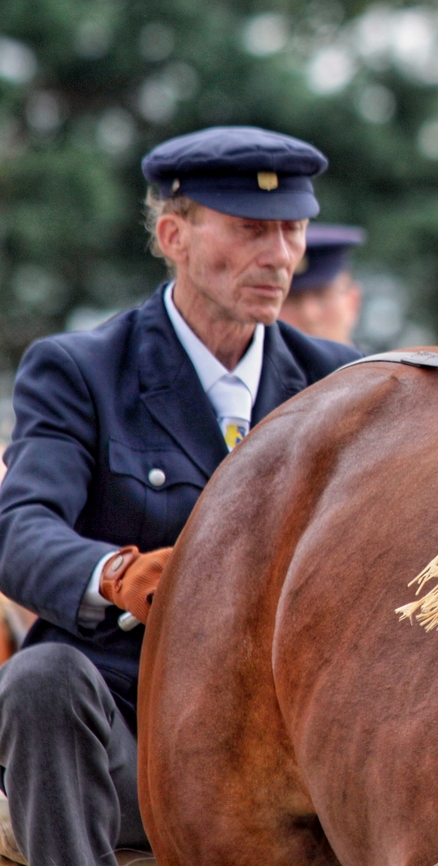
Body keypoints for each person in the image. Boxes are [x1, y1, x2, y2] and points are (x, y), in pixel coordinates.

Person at [0, 126, 360, 865]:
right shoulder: (80, 370)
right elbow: (19, 527)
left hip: (291, 742)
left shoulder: (347, 383)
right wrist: (117, 576)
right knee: (41, 676)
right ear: (174, 234)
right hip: (138, 729)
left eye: (293, 229)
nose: (281, 256)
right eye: (252, 230)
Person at [277, 223, 365, 346]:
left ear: (353, 302)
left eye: (322, 296)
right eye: (291, 299)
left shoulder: (386, 365)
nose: (309, 315)